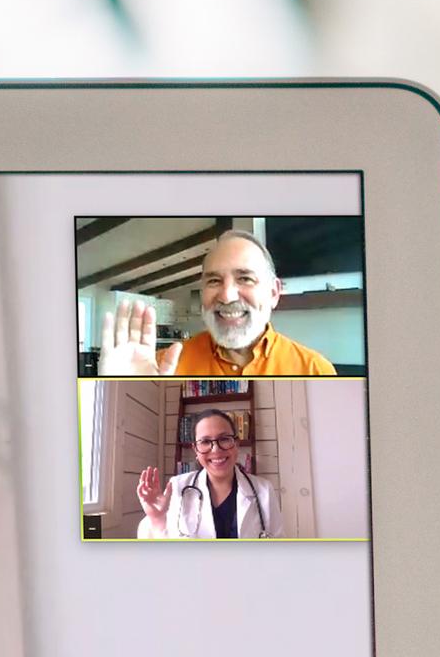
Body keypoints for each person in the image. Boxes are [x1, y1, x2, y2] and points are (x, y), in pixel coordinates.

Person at [99, 229, 336, 378]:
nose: (227, 296)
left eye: (245, 278)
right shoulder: (161, 366)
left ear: (273, 293)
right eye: (214, 281)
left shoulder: (316, 370)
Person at [135, 410, 277, 539]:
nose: (215, 449)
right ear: (195, 449)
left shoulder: (263, 490)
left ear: (236, 444)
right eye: (205, 442)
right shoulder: (177, 488)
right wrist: (157, 519)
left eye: (224, 439)